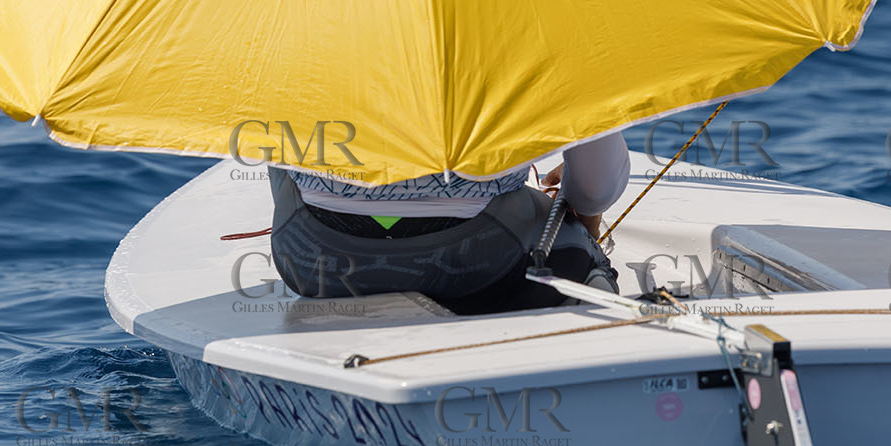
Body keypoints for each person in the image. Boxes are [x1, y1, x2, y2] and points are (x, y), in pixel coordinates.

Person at [268, 133, 627, 313]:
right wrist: (582, 217)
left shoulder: (299, 14)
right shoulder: (531, 19)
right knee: (578, 249)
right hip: (480, 261)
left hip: (311, 257)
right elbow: (594, 190)